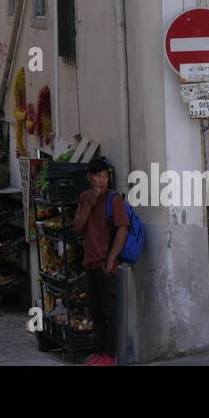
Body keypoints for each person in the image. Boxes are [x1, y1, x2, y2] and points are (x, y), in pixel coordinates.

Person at [71, 156, 129, 366]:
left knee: (110, 311)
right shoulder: (85, 197)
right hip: (90, 263)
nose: (102, 181)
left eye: (105, 176)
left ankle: (110, 355)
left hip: (107, 264)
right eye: (98, 176)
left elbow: (123, 228)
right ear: (89, 178)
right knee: (95, 311)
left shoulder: (114, 200)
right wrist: (90, 204)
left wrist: (112, 258)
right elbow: (77, 226)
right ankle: (98, 351)